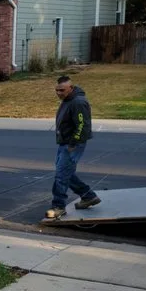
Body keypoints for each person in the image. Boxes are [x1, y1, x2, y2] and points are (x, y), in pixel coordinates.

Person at [47, 75, 100, 220]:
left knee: (61, 176)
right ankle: (88, 196)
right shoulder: (68, 99)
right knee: (64, 172)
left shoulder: (78, 102)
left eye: (62, 90)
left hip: (72, 144)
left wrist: (73, 144)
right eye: (57, 90)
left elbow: (82, 126)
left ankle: (58, 207)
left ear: (71, 88)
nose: (59, 93)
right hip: (65, 142)